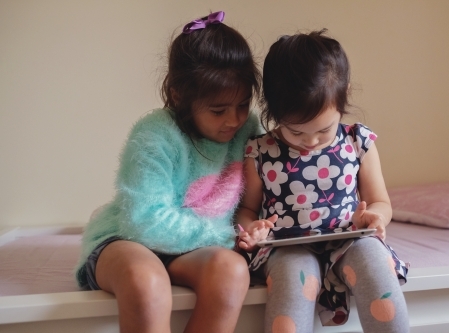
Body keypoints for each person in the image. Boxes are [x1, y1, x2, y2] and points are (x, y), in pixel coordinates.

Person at [74, 11, 264, 333]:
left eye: (243, 104)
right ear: (180, 97)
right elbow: (146, 222)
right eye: (218, 110)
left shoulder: (249, 128)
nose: (234, 119)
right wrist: (227, 236)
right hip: (129, 238)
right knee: (146, 281)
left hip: (195, 250)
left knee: (231, 271)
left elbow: (259, 197)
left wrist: (255, 232)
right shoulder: (155, 135)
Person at [236, 30, 410, 333]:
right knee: (293, 280)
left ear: (345, 96)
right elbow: (247, 210)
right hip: (288, 246)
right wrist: (252, 229)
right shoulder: (259, 152)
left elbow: (381, 201)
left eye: (323, 130)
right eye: (296, 132)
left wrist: (375, 217)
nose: (311, 142)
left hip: (350, 237)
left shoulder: (358, 141)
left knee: (376, 265)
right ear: (274, 110)